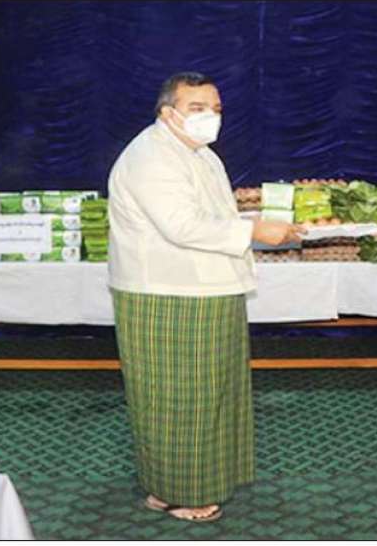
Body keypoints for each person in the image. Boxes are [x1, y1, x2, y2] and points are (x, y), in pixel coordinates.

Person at [107, 71, 303, 523]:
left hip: (204, 288)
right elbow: (182, 226)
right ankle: (182, 492)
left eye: (215, 109)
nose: (210, 117)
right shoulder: (152, 156)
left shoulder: (199, 154)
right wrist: (254, 231)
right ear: (167, 113)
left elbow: (214, 216)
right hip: (171, 293)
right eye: (196, 108)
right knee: (181, 398)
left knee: (208, 393)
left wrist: (258, 223)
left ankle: (176, 484)